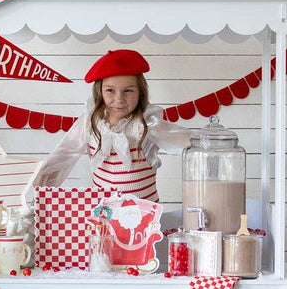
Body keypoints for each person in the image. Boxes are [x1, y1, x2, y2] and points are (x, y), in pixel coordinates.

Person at [34, 49, 189, 200]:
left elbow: (189, 143)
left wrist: (210, 142)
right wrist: (40, 192)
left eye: (128, 90)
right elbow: (62, 156)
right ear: (99, 91)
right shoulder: (90, 122)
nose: (119, 99)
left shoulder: (148, 124)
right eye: (110, 90)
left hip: (145, 217)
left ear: (140, 92)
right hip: (104, 215)